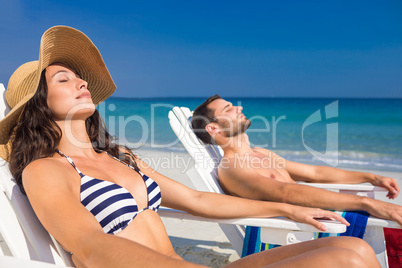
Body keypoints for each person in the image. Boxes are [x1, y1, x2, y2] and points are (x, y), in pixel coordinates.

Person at [0, 26, 379, 268]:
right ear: (37, 104)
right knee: (340, 264)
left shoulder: (117, 159)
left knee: (354, 250)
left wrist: (287, 209)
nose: (82, 82)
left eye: (80, 77)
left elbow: (199, 201)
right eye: (65, 79)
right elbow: (88, 246)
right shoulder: (46, 169)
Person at [191, 95, 402, 227]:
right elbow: (286, 193)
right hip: (301, 229)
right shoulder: (232, 167)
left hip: (318, 217)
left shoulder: (260, 153)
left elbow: (314, 174)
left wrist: (370, 177)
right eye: (228, 109)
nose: (238, 108)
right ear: (213, 128)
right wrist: (366, 202)